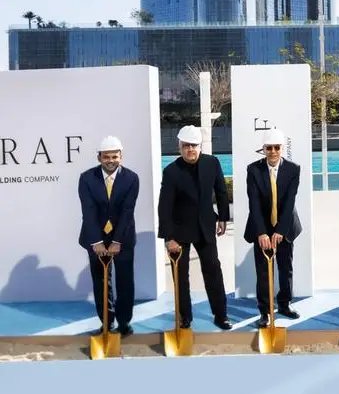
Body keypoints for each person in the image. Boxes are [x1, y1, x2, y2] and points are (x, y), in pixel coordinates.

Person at [157, 125, 232, 330]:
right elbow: (164, 206)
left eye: (194, 145)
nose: (190, 149)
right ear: (179, 147)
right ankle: (185, 317)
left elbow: (221, 191)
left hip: (205, 227)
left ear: (200, 146)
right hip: (179, 231)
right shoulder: (171, 171)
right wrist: (168, 237)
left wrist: (223, 217)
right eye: (186, 145)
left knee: (213, 270)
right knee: (180, 276)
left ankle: (221, 315)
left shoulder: (212, 163)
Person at [78, 136, 139, 337]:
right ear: (99, 158)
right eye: (106, 157)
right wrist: (96, 241)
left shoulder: (132, 178)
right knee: (101, 282)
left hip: (123, 238)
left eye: (114, 156)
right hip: (95, 238)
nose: (111, 161)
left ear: (121, 156)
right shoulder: (86, 178)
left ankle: (124, 322)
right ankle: (106, 322)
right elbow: (88, 211)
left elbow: (127, 211)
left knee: (125, 281)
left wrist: (116, 241)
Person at [245, 128, 302, 328]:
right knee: (263, 272)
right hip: (261, 226)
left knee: (285, 268)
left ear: (282, 148)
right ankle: (265, 311)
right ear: (263, 149)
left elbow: (289, 202)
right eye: (269, 148)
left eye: (277, 147)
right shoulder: (253, 170)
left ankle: (285, 304)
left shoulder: (293, 169)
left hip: (285, 226)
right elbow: (254, 203)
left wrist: (280, 231)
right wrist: (261, 232)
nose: (273, 152)